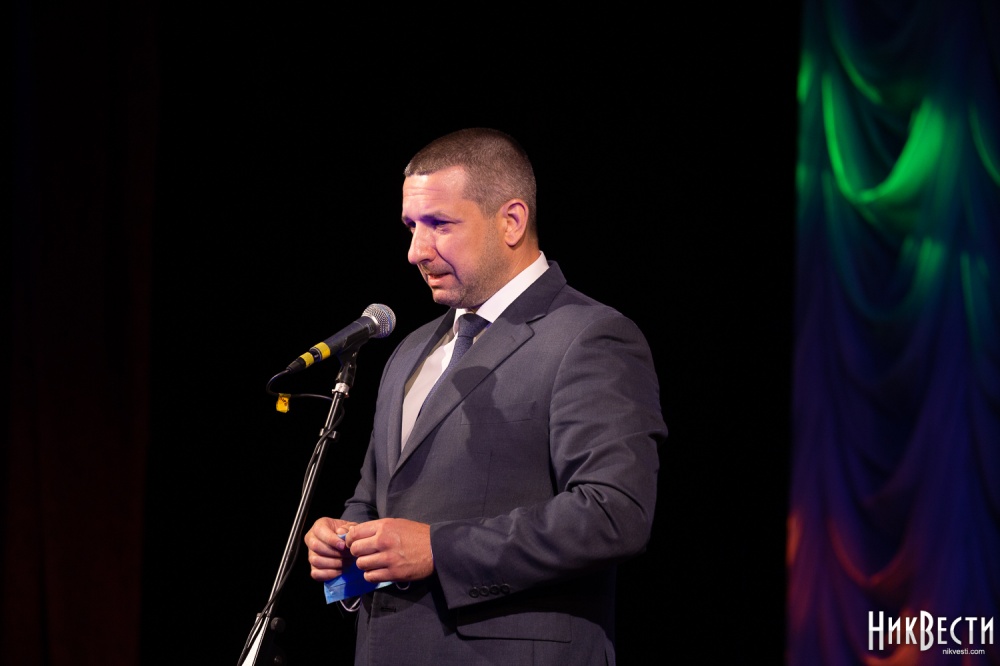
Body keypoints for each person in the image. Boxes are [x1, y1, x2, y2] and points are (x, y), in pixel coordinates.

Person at [303, 127, 666, 665]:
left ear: (512, 221)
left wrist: (438, 549)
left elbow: (614, 514)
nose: (416, 251)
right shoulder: (409, 351)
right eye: (411, 226)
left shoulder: (590, 337)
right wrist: (345, 542)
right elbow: (377, 498)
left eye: (439, 225)